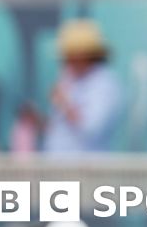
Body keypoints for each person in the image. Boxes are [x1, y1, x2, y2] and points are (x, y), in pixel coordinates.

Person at [41, 20, 124, 153]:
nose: (65, 62)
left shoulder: (105, 84)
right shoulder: (69, 79)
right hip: (60, 167)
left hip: (86, 169)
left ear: (84, 55)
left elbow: (91, 128)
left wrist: (64, 104)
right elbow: (59, 130)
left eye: (70, 57)